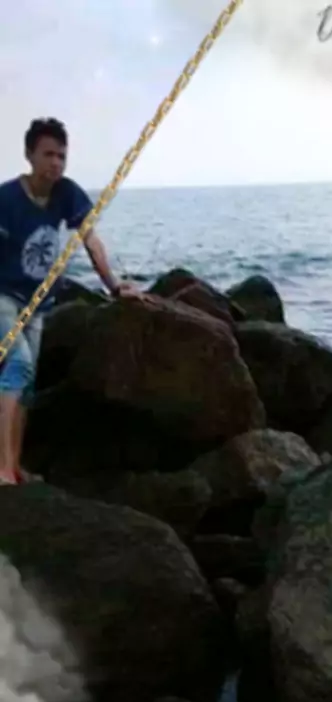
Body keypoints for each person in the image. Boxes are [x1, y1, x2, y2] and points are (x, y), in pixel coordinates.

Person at [0, 117, 144, 486]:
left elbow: (90, 240)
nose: (56, 163)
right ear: (29, 155)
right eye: (48, 154)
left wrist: (114, 286)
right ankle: (2, 470)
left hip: (36, 305)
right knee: (19, 364)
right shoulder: (6, 198)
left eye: (61, 156)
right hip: (3, 298)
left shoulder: (67, 193)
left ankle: (15, 466)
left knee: (26, 385)